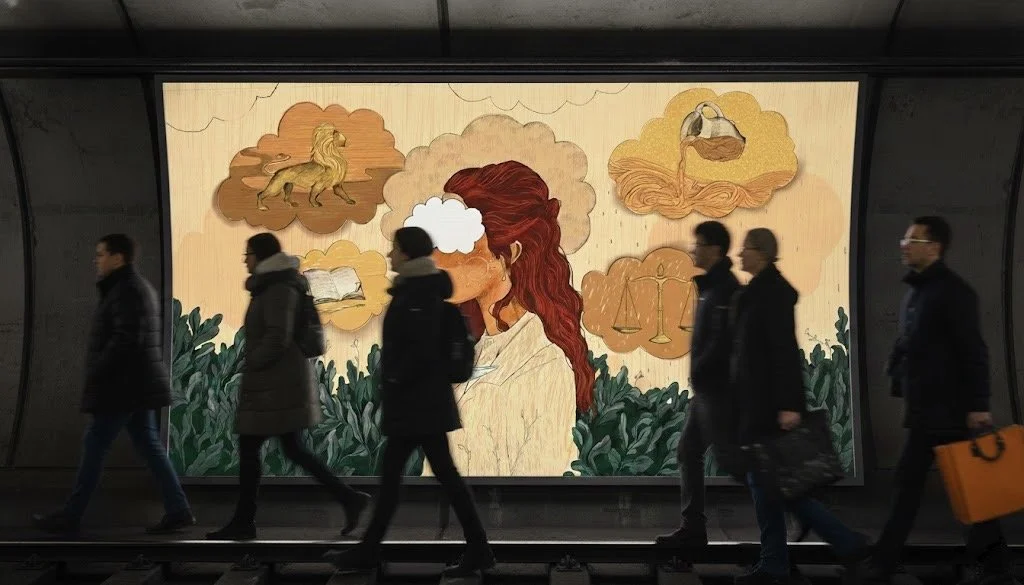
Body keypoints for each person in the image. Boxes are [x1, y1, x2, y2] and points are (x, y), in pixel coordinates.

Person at [851, 217, 1016, 585]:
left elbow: (974, 351)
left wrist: (978, 405)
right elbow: (913, 344)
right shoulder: (918, 292)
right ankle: (994, 565)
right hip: (926, 409)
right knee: (957, 488)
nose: (904, 245)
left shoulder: (953, 293)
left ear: (935, 248)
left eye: (913, 239)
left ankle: (883, 563)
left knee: (925, 488)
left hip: (949, 410)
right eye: (905, 238)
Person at [325, 226, 495, 577]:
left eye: (395, 249)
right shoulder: (422, 292)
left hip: (416, 406)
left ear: (406, 253)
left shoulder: (416, 296)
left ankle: (372, 551)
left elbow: (417, 353)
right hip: (424, 405)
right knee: (433, 478)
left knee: (402, 480)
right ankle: (476, 548)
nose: (390, 255)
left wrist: (394, 379)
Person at [206, 233, 369, 540]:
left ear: (262, 256)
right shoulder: (273, 285)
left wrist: (252, 361)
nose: (245, 260)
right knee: (291, 449)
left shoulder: (278, 288)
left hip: (276, 384)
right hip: (276, 383)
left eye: (248, 254)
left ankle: (244, 522)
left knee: (254, 450)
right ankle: (348, 498)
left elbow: (277, 336)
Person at [32, 234, 195, 536]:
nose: (97, 260)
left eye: (101, 254)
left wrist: (97, 370)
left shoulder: (126, 290)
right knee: (149, 446)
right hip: (137, 386)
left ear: (118, 257)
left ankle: (71, 515)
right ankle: (178, 509)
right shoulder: (130, 287)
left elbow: (126, 339)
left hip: (123, 387)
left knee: (95, 445)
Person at [732, 228, 868, 585]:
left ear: (761, 253)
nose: (740, 254)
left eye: (745, 248)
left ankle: (840, 544)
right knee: (773, 487)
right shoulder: (759, 293)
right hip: (758, 406)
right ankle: (785, 559)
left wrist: (790, 405)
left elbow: (784, 352)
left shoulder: (771, 295)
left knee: (775, 487)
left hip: (768, 408)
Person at [656, 220, 741, 548]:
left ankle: (797, 507)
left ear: (715, 250)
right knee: (688, 450)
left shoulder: (726, 291)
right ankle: (693, 528)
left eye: (700, 244)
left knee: (736, 463)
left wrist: (705, 369)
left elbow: (725, 341)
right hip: (706, 391)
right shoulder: (711, 288)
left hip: (718, 393)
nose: (694, 250)